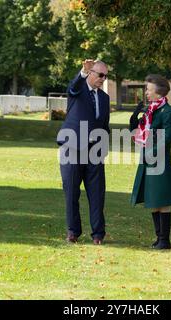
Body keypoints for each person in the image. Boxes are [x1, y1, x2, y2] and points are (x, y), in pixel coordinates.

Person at [130, 74, 171, 249]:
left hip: (159, 159)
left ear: (158, 92)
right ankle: (159, 238)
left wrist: (154, 152)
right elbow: (135, 131)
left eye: (148, 90)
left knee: (162, 200)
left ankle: (165, 240)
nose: (146, 93)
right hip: (148, 158)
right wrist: (135, 115)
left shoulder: (167, 111)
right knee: (153, 200)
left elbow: (169, 136)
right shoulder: (151, 110)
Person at [57, 59, 110, 245]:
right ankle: (73, 232)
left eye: (106, 76)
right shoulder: (78, 91)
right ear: (91, 73)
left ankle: (98, 234)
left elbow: (104, 126)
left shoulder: (104, 98)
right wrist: (82, 73)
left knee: (96, 194)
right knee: (71, 192)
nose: (103, 79)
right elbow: (72, 87)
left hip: (94, 152)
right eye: (100, 75)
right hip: (71, 149)